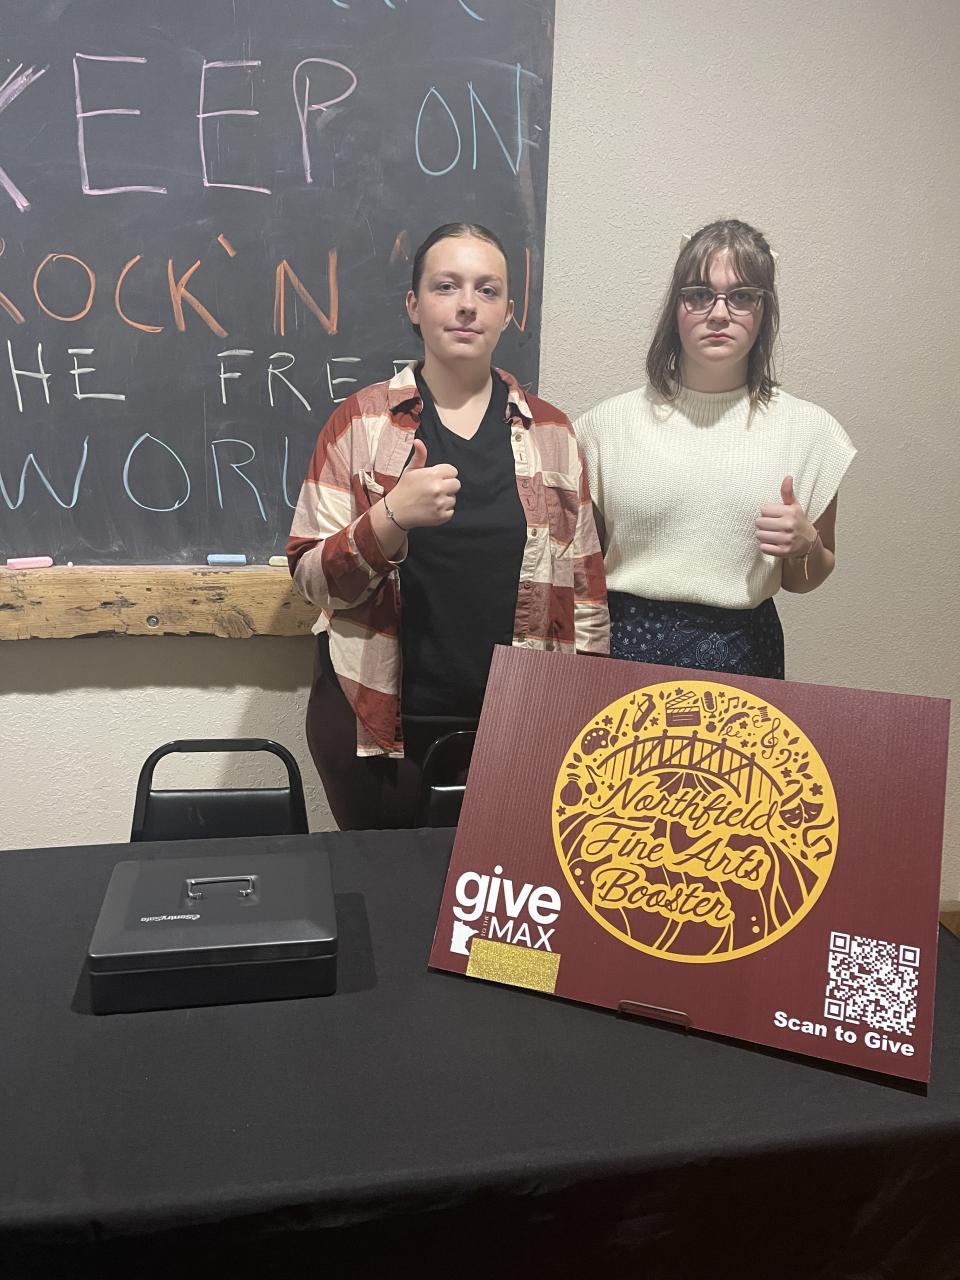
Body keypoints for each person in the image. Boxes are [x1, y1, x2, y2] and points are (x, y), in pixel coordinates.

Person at [288, 222, 608, 829]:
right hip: (378, 732)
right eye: (446, 286)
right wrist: (389, 519)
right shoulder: (359, 423)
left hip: (519, 732)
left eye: (487, 290)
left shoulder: (553, 434)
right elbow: (312, 579)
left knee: (502, 889)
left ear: (509, 312)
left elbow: (586, 593)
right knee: (385, 884)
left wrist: (579, 717)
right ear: (414, 305)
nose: (466, 305)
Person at [574, 219, 855, 679]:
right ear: (676, 306)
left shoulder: (811, 433)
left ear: (764, 309)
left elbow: (803, 580)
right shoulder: (604, 427)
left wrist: (806, 545)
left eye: (741, 296)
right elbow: (580, 571)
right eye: (700, 294)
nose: (719, 313)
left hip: (746, 657)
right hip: (625, 650)